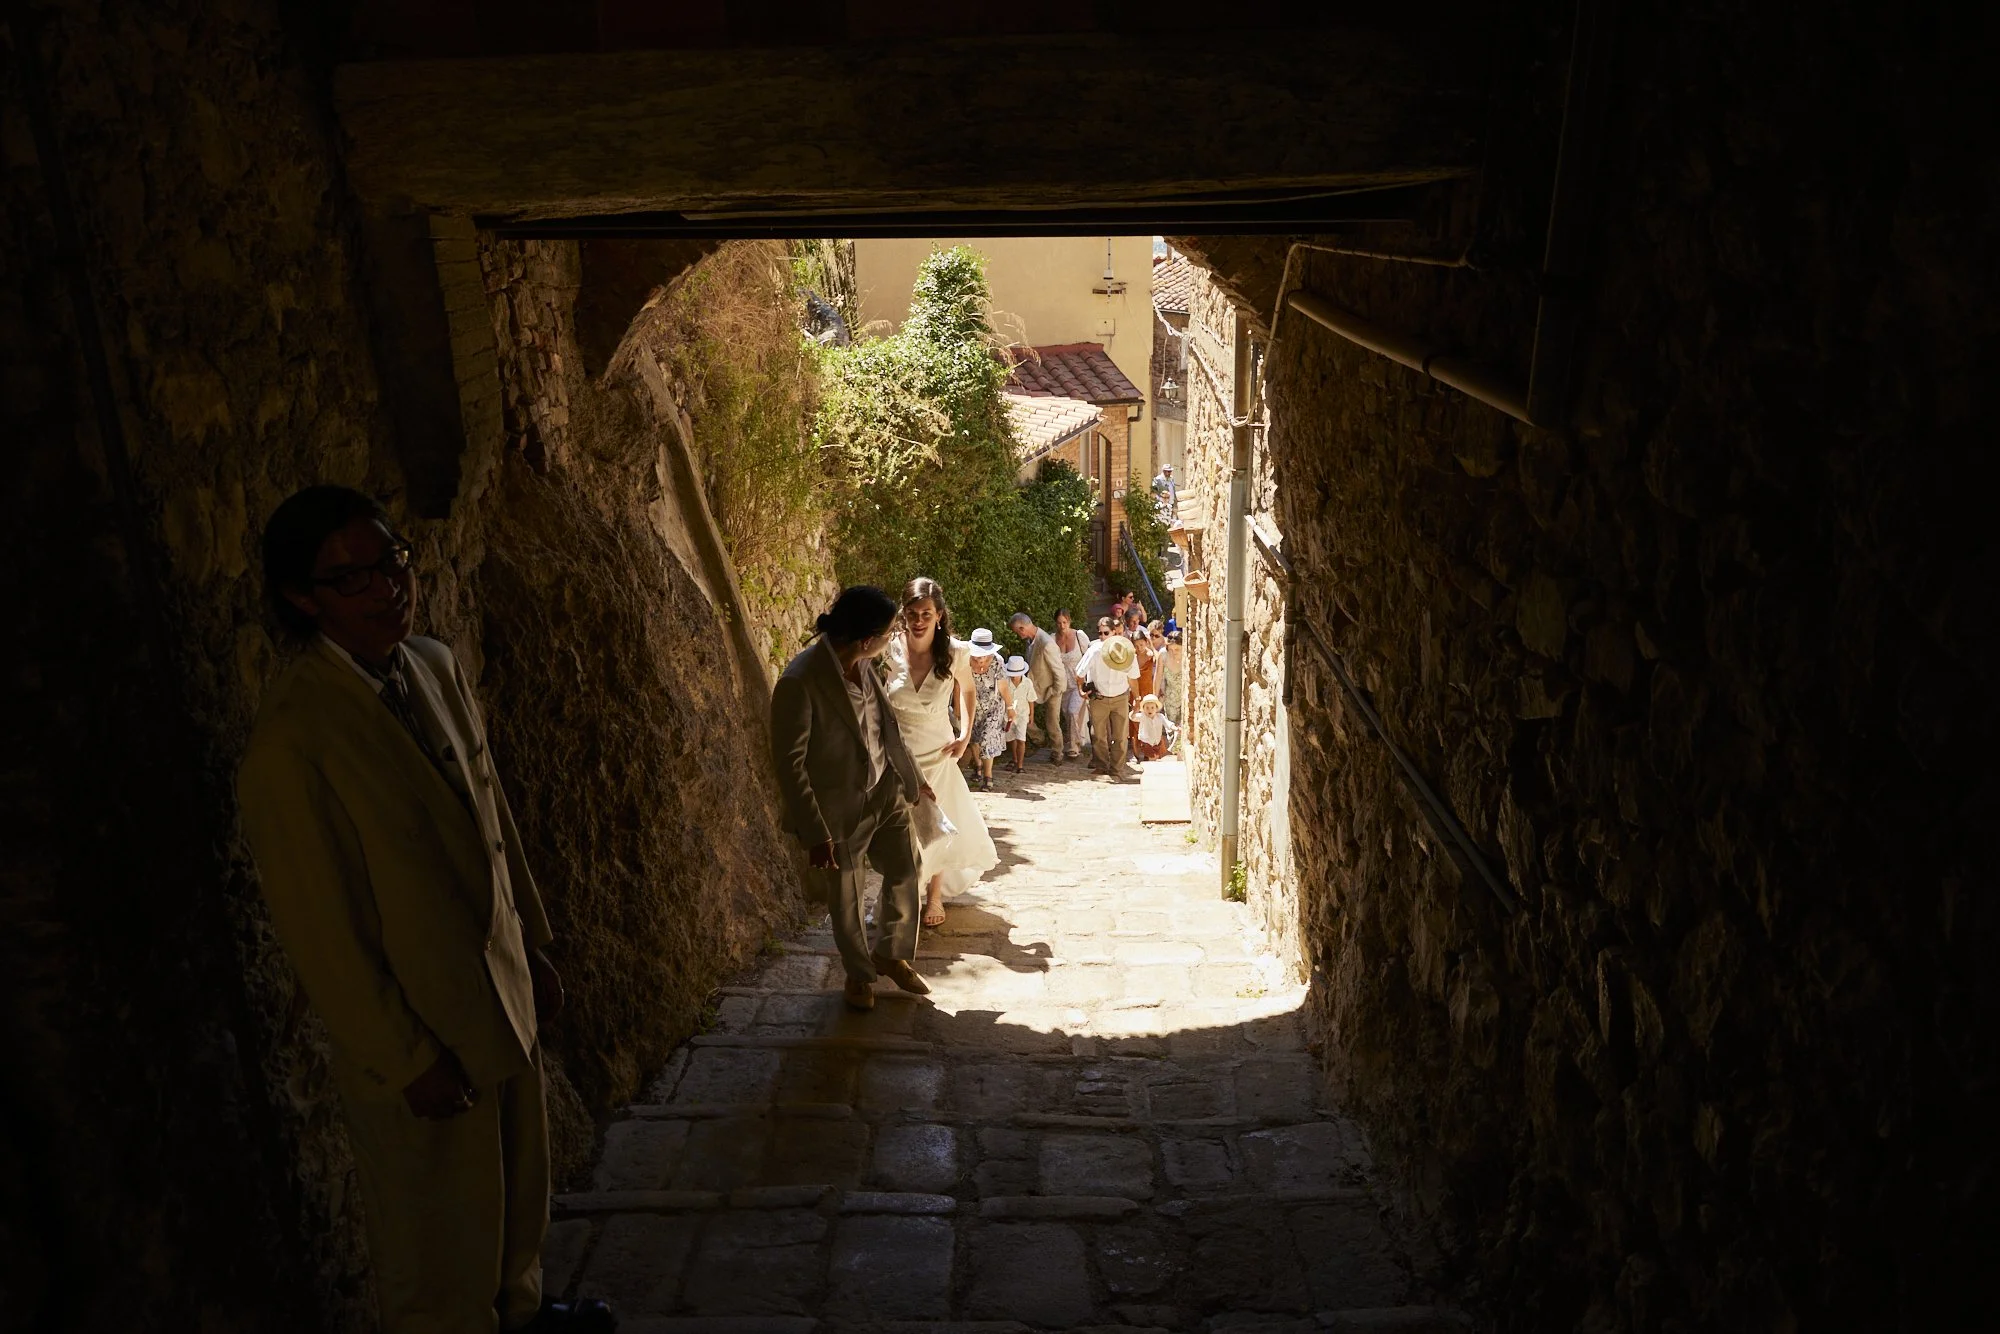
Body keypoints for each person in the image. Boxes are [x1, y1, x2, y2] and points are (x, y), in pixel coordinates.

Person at [236, 486, 611, 1334]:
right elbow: (321, 930)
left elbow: (490, 811)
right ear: (303, 598)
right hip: (424, 1032)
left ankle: (523, 1313)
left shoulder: (431, 666)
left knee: (518, 1205)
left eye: (391, 562)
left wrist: (534, 943)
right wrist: (406, 1057)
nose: (385, 588)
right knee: (438, 1248)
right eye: (351, 578)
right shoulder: (293, 743)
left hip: (501, 996)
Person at [771, 586, 933, 1012]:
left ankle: (890, 952)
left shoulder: (865, 664)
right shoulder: (800, 681)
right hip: (837, 808)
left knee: (906, 869)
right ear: (866, 639)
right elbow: (790, 765)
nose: (895, 634)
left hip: (884, 792)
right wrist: (814, 831)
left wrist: (913, 779)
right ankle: (859, 974)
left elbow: (884, 729)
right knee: (845, 895)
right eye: (890, 629)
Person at [886, 578, 999, 928]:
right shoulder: (887, 649)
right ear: (903, 614)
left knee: (937, 822)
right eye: (912, 613)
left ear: (939, 615)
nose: (919, 620)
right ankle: (899, 895)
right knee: (901, 828)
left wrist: (965, 734)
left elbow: (967, 690)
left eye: (926, 613)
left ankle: (934, 895)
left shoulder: (955, 652)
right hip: (899, 752)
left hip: (939, 748)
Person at [1076, 631, 1141, 781]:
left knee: (1121, 736)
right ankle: (1101, 765)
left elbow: (1133, 679)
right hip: (1099, 697)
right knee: (1098, 734)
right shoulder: (1095, 651)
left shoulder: (1128, 654)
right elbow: (1079, 673)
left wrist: (1137, 698)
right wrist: (1081, 690)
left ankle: (1117, 769)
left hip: (1121, 697)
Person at [1010, 611, 1069, 764]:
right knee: (1021, 714)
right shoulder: (1030, 640)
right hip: (1034, 687)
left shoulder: (1047, 643)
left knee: (1052, 722)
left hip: (1052, 688)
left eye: (1017, 632)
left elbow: (1059, 671)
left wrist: (1055, 690)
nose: (1017, 635)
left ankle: (1057, 752)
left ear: (1022, 628)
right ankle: (1039, 739)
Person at [964, 627, 1007, 790]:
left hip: (993, 706)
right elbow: (958, 685)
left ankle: (988, 777)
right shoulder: (965, 660)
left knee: (986, 738)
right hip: (972, 704)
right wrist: (958, 707)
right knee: (974, 738)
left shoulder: (997, 661)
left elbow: (1003, 687)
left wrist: (1010, 708)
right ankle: (978, 767)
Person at [1052, 609, 1090, 761]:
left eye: (1065, 622)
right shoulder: (1052, 638)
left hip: (1078, 683)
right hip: (1062, 684)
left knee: (1072, 711)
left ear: (1070, 621)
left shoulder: (1079, 636)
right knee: (1068, 716)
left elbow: (1090, 656)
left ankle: (1074, 746)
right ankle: (1074, 742)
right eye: (1059, 623)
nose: (1062, 626)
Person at [1000, 654, 1036, 774]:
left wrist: (1031, 715)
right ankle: (1015, 759)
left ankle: (1020, 765)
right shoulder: (1005, 682)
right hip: (1008, 714)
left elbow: (1031, 699)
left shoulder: (1027, 683)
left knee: (1021, 739)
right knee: (1010, 738)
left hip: (1022, 714)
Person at [1133, 693, 1177, 761]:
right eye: (1147, 708)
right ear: (1143, 709)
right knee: (1151, 757)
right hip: (1146, 742)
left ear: (1156, 708)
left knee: (1156, 756)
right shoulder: (1142, 716)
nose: (1149, 710)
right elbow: (1133, 717)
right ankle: (1149, 761)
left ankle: (1149, 762)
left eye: (1152, 707)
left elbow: (1167, 723)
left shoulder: (1160, 717)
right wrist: (1134, 712)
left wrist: (1174, 728)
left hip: (1156, 742)